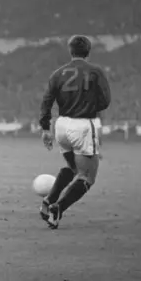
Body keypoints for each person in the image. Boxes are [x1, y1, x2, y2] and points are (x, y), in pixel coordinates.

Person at [38, 35, 111, 229]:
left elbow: (46, 102)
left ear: (70, 51)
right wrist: (87, 102)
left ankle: (49, 199)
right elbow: (105, 101)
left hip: (61, 126)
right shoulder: (95, 72)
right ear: (88, 51)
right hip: (83, 125)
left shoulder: (57, 73)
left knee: (74, 170)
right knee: (87, 177)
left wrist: (46, 129)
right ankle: (57, 208)